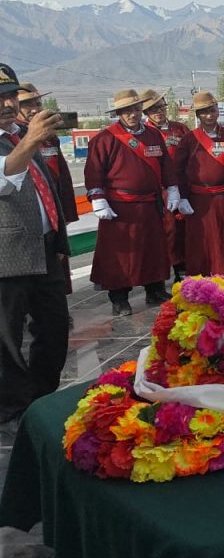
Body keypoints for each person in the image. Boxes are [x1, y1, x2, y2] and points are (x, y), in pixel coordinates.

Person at [0, 63, 70, 426]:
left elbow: (47, 188)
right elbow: (4, 179)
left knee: (54, 328)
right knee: (7, 340)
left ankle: (41, 397)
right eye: (0, 98)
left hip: (43, 249)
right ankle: (13, 409)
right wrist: (30, 140)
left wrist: (58, 237)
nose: (8, 104)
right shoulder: (25, 140)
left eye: (11, 95)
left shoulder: (20, 135)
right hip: (7, 256)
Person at [85, 89, 179, 316]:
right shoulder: (105, 138)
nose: (132, 114)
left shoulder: (154, 135)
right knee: (121, 255)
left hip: (150, 204)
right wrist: (98, 198)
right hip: (120, 207)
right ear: (118, 113)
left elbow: (165, 165)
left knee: (153, 250)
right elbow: (94, 171)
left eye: (136, 109)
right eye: (127, 111)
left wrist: (173, 188)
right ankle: (119, 299)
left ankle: (155, 290)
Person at [175, 91, 224, 278]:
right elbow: (178, 171)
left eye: (212, 110)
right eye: (204, 112)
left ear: (218, 111)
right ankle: (202, 283)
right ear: (198, 115)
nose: (209, 115)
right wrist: (182, 197)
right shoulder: (189, 140)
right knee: (201, 243)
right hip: (199, 202)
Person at [140, 88, 190, 284]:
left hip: (182, 188)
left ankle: (183, 271)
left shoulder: (180, 129)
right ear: (146, 112)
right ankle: (160, 277)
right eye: (153, 109)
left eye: (161, 107)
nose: (158, 112)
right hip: (159, 191)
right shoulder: (144, 133)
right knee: (165, 233)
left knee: (183, 231)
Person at [15, 83, 77, 225]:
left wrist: (67, 212)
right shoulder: (11, 136)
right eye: (27, 105)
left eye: (38, 104)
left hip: (54, 208)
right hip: (26, 213)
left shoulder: (49, 136)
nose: (35, 110)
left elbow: (62, 174)